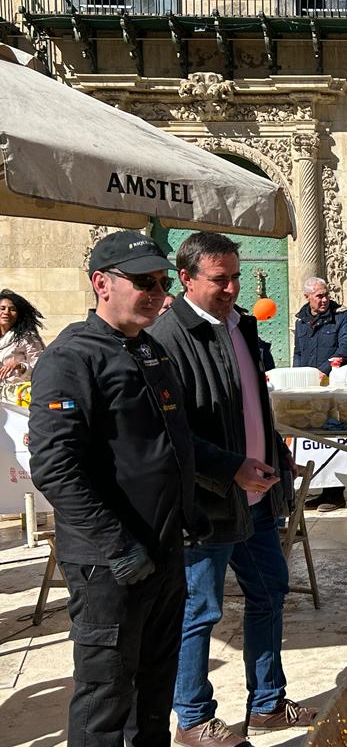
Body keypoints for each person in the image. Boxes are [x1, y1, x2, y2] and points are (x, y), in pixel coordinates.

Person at [28, 230, 207, 747]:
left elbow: (172, 443)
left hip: (164, 553)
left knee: (155, 691)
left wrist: (198, 501)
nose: (156, 292)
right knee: (106, 698)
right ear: (101, 283)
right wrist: (117, 546)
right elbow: (56, 467)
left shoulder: (149, 350)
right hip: (111, 565)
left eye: (161, 281)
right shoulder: (70, 359)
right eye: (142, 281)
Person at [151, 232, 314, 747]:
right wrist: (230, 469)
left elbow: (250, 400)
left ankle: (266, 703)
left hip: (256, 497)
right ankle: (194, 718)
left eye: (235, 277)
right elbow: (172, 435)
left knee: (270, 592)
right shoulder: (168, 338)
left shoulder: (240, 325)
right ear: (186, 279)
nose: (230, 287)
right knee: (200, 610)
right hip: (207, 503)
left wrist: (272, 447)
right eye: (219, 279)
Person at [293, 277, 347, 376]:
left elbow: (346, 348)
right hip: (306, 379)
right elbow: (298, 353)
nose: (325, 300)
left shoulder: (341, 316)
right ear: (307, 297)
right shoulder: (301, 321)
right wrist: (296, 373)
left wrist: (324, 371)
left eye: (326, 295)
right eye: (320, 296)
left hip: (332, 378)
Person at [0, 288, 45, 384]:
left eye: (12, 309)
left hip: (17, 395)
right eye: (2, 308)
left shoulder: (28, 337)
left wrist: (20, 366)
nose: (6, 312)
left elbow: (41, 367)